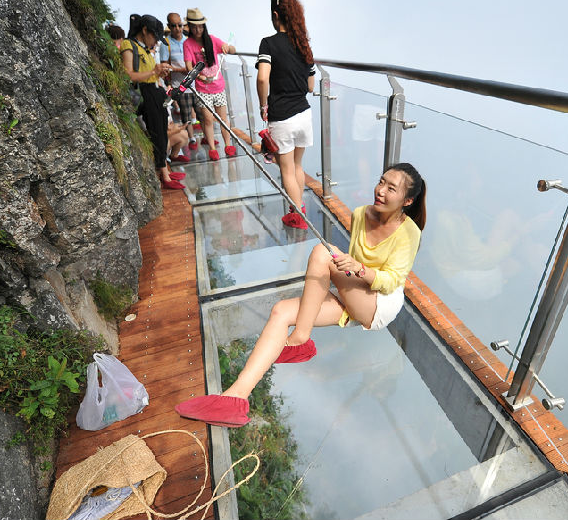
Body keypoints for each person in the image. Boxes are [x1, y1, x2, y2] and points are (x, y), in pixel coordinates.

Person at [175, 163, 427, 427]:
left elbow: (391, 281)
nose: (380, 190)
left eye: (391, 188)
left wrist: (358, 269)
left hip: (380, 303)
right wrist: (351, 268)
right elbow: (354, 262)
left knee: (322, 252)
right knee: (281, 311)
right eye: (381, 181)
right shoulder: (361, 214)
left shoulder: (409, 233)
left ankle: (300, 339)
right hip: (356, 289)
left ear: (407, 201)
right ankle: (235, 398)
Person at [255, 0, 316, 229]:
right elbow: (311, 86)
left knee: (287, 170)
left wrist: (263, 105)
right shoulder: (303, 45)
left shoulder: (268, 43)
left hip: (282, 116)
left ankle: (298, 216)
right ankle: (298, 209)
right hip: (304, 113)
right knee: (297, 166)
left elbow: (262, 78)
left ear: (275, 15)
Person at [120, 14, 184, 190]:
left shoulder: (146, 49)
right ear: (144, 30)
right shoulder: (129, 45)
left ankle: (164, 171)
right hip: (144, 93)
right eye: (154, 36)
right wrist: (153, 72)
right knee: (156, 133)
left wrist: (159, 72)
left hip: (155, 91)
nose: (156, 42)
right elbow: (128, 75)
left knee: (162, 131)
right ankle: (164, 175)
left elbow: (151, 73)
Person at [183, 8, 237, 161]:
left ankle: (228, 145)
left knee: (223, 118)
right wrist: (200, 77)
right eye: (194, 27)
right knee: (207, 119)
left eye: (200, 26)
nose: (198, 30)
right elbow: (188, 66)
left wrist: (227, 47)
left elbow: (232, 49)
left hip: (218, 86)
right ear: (190, 27)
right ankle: (212, 148)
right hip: (202, 88)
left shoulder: (212, 39)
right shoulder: (188, 44)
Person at [161, 12, 197, 160]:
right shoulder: (166, 44)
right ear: (169, 26)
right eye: (174, 26)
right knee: (186, 114)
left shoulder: (188, 41)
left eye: (180, 25)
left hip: (195, 83)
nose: (177, 28)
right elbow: (164, 66)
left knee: (201, 113)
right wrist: (180, 71)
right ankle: (192, 139)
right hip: (179, 85)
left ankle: (201, 139)